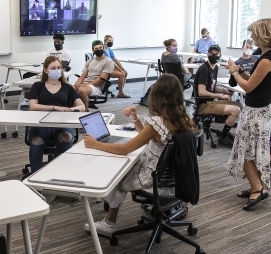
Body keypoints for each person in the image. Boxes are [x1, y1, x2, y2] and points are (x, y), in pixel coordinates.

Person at [82, 74, 198, 236]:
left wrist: (96, 144)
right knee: (133, 161)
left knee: (117, 173)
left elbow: (125, 149)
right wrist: (135, 119)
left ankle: (110, 223)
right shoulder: (184, 118)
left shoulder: (157, 123)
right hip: (175, 182)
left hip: (157, 184)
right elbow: (149, 136)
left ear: (157, 95)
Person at [225, 18, 271, 210]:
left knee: (246, 149)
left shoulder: (267, 60)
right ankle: (256, 185)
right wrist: (241, 70)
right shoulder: (268, 56)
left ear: (263, 34)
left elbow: (248, 87)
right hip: (258, 109)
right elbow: (255, 81)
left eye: (253, 33)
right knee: (251, 149)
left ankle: (258, 188)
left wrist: (234, 72)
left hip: (257, 111)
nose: (251, 37)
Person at [27, 56, 86, 172]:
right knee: (37, 139)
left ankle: (57, 172)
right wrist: (54, 107)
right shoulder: (37, 86)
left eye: (59, 68)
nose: (57, 70)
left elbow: (82, 106)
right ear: (45, 70)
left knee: (66, 137)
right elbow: (33, 106)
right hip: (41, 121)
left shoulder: (67, 87)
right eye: (53, 68)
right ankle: (34, 176)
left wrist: (71, 110)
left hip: (62, 121)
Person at [193, 44, 242, 147]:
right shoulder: (204, 69)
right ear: (207, 54)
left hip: (211, 101)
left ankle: (225, 132)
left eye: (216, 53)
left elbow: (211, 87)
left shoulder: (214, 68)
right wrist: (220, 96)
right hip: (204, 105)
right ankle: (223, 137)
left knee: (240, 105)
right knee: (235, 110)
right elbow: (202, 92)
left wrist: (224, 91)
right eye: (211, 53)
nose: (214, 55)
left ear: (220, 55)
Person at [74, 40, 115, 110]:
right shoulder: (90, 61)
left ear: (103, 48)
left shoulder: (108, 62)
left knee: (82, 90)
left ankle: (85, 110)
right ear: (93, 50)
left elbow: (100, 80)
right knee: (67, 88)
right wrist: (77, 84)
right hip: (86, 84)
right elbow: (83, 75)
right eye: (96, 48)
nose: (98, 49)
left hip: (96, 87)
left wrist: (84, 85)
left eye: (100, 47)